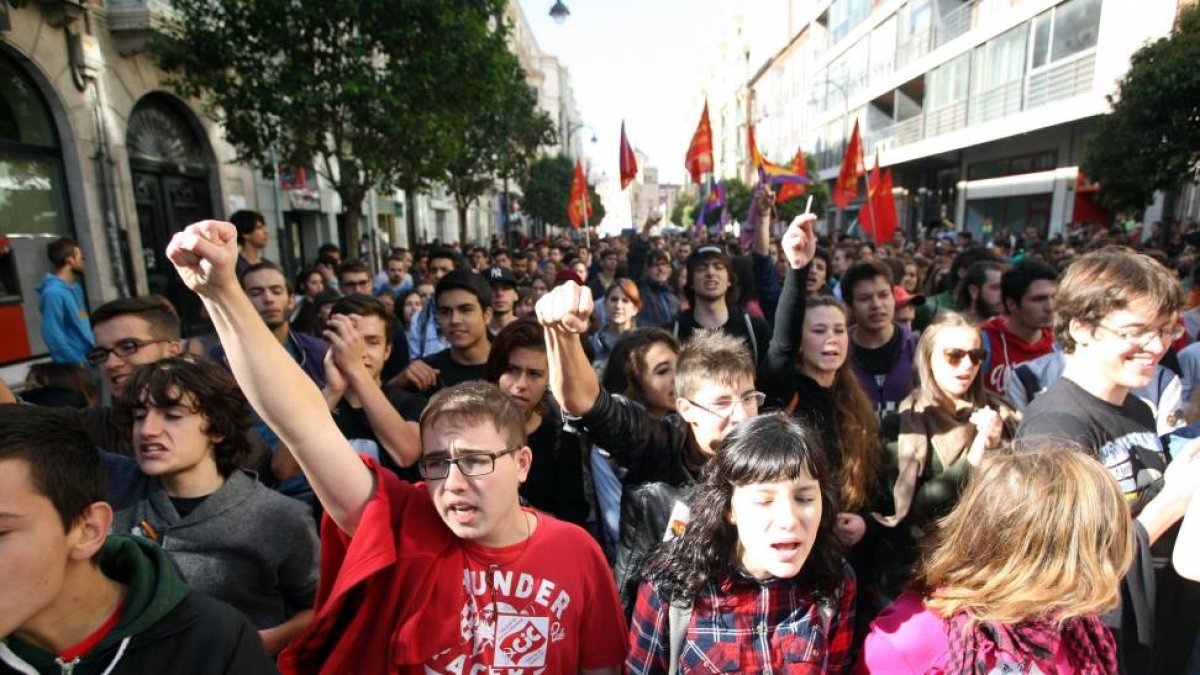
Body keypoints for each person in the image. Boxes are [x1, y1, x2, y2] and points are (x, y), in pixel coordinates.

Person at [165, 217, 627, 674]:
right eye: (435, 463)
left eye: (475, 461)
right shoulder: (404, 519)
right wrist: (223, 293)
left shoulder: (578, 553)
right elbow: (303, 426)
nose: (452, 484)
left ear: (522, 463)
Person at [537, 255, 788, 610]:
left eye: (748, 398)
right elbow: (584, 402)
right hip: (661, 624)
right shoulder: (659, 446)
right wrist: (561, 333)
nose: (740, 416)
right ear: (685, 409)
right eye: (721, 402)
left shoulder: (770, 454)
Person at [1016, 247, 1200, 674]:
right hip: (1104, 644)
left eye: (1165, 330)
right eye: (1136, 331)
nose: (1155, 347)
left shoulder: (1138, 409)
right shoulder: (1054, 428)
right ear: (1081, 327)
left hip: (1163, 628)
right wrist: (1173, 499)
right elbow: (1066, 567)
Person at [0, 405, 278, 674]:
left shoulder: (212, 640)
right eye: (139, 416)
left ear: (88, 530)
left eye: (1, 533)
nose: (149, 430)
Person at [104, 357, 319, 656]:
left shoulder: (279, 517)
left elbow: (319, 607)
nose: (148, 430)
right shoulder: (116, 483)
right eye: (140, 416)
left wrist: (262, 641)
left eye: (172, 416)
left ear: (217, 428)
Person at [858, 448, 1135, 674]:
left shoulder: (1074, 627)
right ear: (1037, 558)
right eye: (1095, 554)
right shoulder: (910, 640)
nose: (1107, 570)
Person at [625, 413, 856, 673]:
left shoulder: (834, 581)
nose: (789, 520)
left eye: (804, 499)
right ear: (728, 508)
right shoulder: (670, 585)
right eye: (764, 501)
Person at [875, 313, 1017, 596]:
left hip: (992, 564)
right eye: (954, 355)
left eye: (976, 355)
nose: (967, 365)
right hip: (926, 569)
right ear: (928, 359)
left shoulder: (1001, 413)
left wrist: (999, 444)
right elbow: (916, 509)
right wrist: (977, 452)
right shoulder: (904, 422)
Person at [485, 318, 589, 524]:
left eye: (534, 374)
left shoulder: (562, 441)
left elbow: (570, 519)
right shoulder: (470, 431)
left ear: (549, 380)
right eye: (512, 370)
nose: (521, 384)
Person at [321, 294, 424, 481]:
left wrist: (355, 369)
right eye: (351, 341)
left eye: (372, 342)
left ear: (387, 351)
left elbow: (406, 454)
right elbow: (283, 468)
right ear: (331, 345)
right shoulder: (316, 400)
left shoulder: (410, 401)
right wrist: (332, 391)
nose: (359, 352)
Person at [212, 261, 326, 388]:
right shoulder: (222, 359)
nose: (268, 299)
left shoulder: (317, 351)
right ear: (242, 302)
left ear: (291, 300)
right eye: (256, 293)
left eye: (276, 291)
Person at [671, 245, 770, 366]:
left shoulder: (754, 329)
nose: (711, 273)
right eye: (702, 268)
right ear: (691, 282)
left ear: (729, 280)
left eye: (718, 267)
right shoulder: (673, 333)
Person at [397, 270, 492, 394]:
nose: (455, 320)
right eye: (445, 312)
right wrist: (398, 383)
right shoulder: (426, 373)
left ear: (487, 315)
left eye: (465, 310)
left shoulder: (510, 367)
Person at [843, 260, 919, 417]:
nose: (877, 305)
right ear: (850, 306)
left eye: (883, 295)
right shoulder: (840, 351)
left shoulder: (917, 347)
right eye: (865, 298)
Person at [980, 260, 1058, 395]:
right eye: (1039, 299)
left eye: (1054, 297)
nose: (1050, 307)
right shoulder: (983, 342)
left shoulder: (1060, 344)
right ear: (1011, 304)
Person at [37, 237, 93, 364]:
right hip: (74, 364)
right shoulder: (53, 293)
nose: (84, 262)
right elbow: (52, 334)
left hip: (88, 359)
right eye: (81, 258)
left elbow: (81, 319)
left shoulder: (75, 288)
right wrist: (73, 361)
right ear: (70, 260)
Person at [407, 247, 460, 360]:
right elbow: (414, 360)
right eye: (433, 270)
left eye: (444, 270)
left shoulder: (469, 312)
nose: (438, 275)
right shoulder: (418, 319)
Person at [590, 279, 641, 376]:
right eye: (614, 299)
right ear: (605, 305)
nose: (618, 306)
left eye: (625, 301)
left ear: (635, 309)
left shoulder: (643, 346)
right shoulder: (591, 344)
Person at [637, 249, 680, 329]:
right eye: (655, 265)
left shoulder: (673, 295)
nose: (660, 269)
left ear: (669, 269)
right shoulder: (640, 295)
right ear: (647, 270)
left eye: (663, 264)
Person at [231, 210, 269, 278]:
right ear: (245, 233)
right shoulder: (234, 266)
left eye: (264, 227)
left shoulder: (268, 265)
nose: (266, 231)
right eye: (259, 227)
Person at [485, 266, 520, 338]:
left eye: (506, 288)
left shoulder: (529, 330)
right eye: (492, 288)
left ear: (516, 295)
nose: (499, 293)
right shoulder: (475, 332)